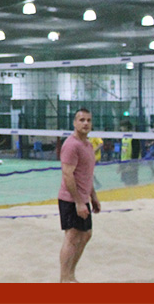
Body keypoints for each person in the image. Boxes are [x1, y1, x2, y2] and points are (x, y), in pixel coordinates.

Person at [58, 108, 101, 283]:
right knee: (72, 236)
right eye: (81, 120)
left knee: (86, 234)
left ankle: (70, 275)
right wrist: (78, 203)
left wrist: (93, 197)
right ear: (74, 123)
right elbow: (68, 175)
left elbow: (86, 174)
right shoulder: (71, 145)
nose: (85, 123)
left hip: (83, 198)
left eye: (88, 120)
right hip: (70, 199)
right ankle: (64, 279)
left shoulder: (88, 145)